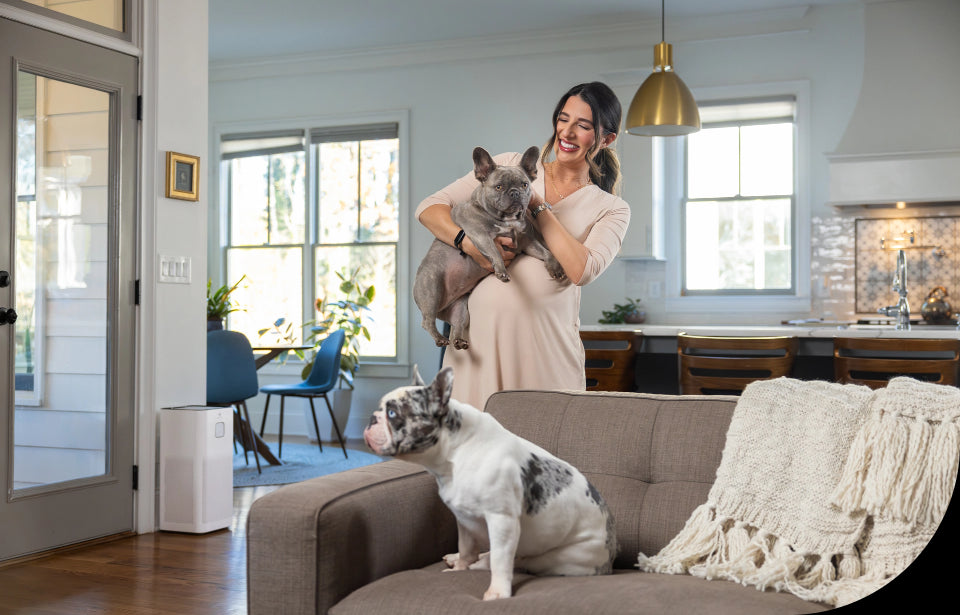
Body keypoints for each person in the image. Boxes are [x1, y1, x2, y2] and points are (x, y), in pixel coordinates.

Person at [416, 81, 630, 410]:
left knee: (543, 450)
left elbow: (581, 269)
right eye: (563, 119)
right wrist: (469, 244)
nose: (567, 132)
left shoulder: (611, 208)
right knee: (471, 452)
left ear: (606, 138)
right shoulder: (510, 165)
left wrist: (536, 204)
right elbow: (429, 208)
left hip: (545, 354)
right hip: (477, 349)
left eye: (583, 125)